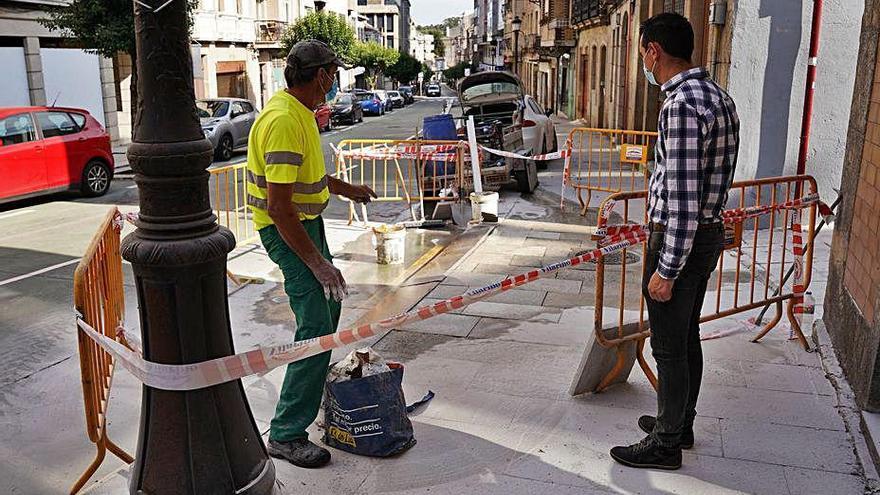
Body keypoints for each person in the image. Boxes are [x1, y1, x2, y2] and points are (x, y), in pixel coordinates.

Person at [610, 13, 739, 470]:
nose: (643, 61)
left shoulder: (681, 104)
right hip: (704, 234)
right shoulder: (717, 97)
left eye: (642, 52)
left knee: (668, 345)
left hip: (680, 238)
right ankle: (679, 423)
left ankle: (666, 443)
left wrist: (666, 269)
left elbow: (682, 199)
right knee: (686, 337)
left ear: (653, 51)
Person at [246, 39, 377, 469]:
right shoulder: (283, 120)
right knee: (316, 326)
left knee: (329, 316)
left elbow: (311, 178)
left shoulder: (300, 113)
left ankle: (309, 393)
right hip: (287, 232)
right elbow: (279, 207)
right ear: (321, 76)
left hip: (306, 225)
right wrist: (317, 263)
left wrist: (346, 189)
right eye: (334, 72)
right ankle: (285, 433)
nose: (336, 79)